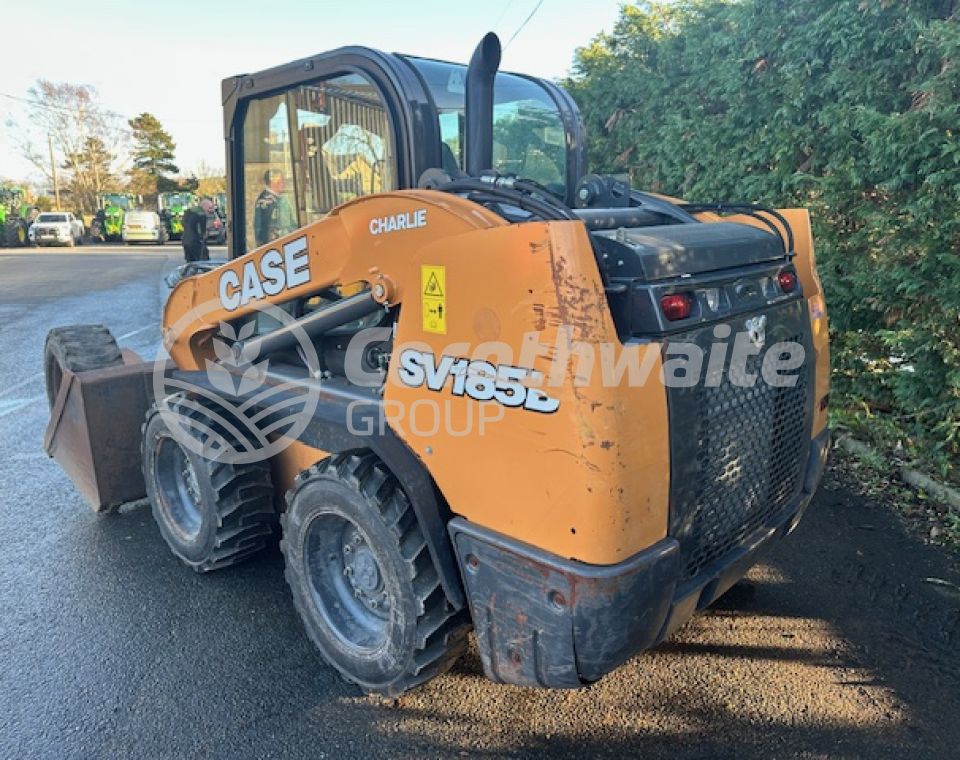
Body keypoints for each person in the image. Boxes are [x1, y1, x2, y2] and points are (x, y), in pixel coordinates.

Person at [254, 169, 296, 246]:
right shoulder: (266, 201)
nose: (283, 183)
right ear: (273, 182)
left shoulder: (280, 199)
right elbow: (263, 229)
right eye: (281, 181)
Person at [182, 197, 214, 262]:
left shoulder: (188, 212)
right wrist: (205, 234)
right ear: (204, 206)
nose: (211, 210)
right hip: (196, 242)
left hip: (185, 241)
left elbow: (184, 224)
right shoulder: (201, 215)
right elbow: (201, 231)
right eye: (210, 208)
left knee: (190, 262)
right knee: (203, 261)